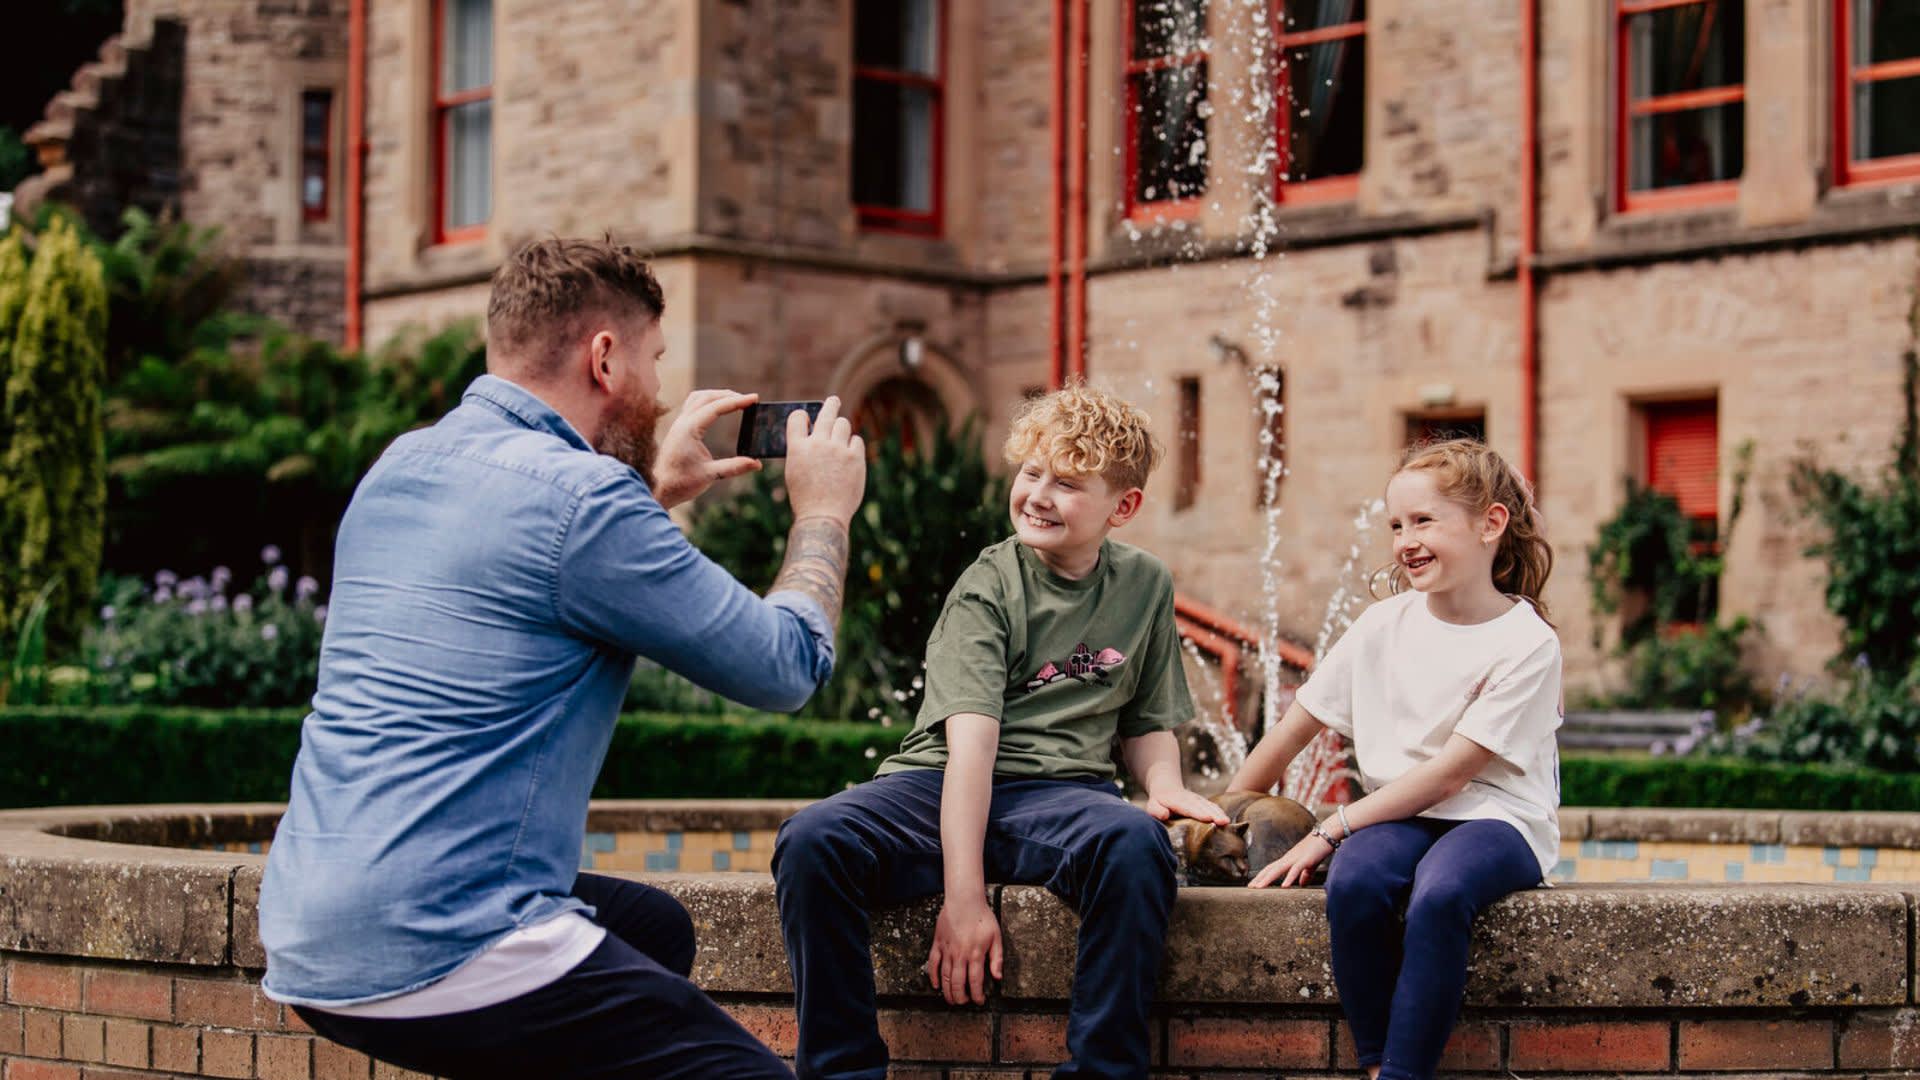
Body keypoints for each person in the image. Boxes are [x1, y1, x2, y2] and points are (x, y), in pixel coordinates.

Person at [257, 236, 867, 1079]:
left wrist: (652, 492)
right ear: (604, 358)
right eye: (654, 360)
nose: (658, 391)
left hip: (307, 935)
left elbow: (528, 572)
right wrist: (824, 513)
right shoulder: (589, 502)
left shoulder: (399, 464)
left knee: (656, 932)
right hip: (445, 938)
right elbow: (785, 666)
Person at [772, 384, 1228, 1080]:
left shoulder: (1145, 585)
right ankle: (841, 1072)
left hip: (1061, 797)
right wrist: (964, 899)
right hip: (941, 782)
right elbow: (971, 752)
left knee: (1137, 845)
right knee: (812, 841)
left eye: (1068, 483)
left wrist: (1166, 789)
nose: (1039, 495)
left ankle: (1103, 1071)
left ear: (1123, 507)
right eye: (1031, 473)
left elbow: (1147, 722)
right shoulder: (988, 585)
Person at [1225, 438, 1562, 1080]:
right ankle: (1378, 1064)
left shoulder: (1527, 643)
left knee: (1440, 895)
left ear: (1491, 524)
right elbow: (1295, 729)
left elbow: (1453, 773)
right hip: (1402, 816)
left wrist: (1333, 827)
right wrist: (1226, 816)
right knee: (1354, 883)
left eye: (1425, 520)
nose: (1406, 539)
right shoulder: (1382, 625)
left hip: (1498, 819)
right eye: (1397, 525)